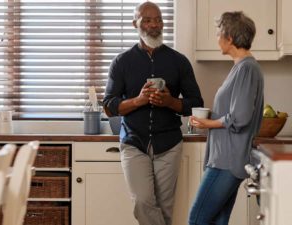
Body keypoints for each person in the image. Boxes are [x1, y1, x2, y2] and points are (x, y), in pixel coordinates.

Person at [103, 1, 203, 225]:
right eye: (147, 20)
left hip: (169, 144)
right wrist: (139, 100)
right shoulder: (121, 62)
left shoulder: (179, 61)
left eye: (158, 20)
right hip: (133, 143)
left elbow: (195, 102)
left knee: (165, 209)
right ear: (135, 24)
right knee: (142, 202)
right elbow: (109, 106)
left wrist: (169, 102)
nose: (154, 25)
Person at [188, 11, 264, 225]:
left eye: (218, 33)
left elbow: (240, 117)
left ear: (229, 38)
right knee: (217, 222)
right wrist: (211, 119)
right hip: (227, 157)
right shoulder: (241, 67)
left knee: (197, 219)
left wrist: (207, 123)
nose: (216, 38)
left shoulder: (246, 69)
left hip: (227, 160)